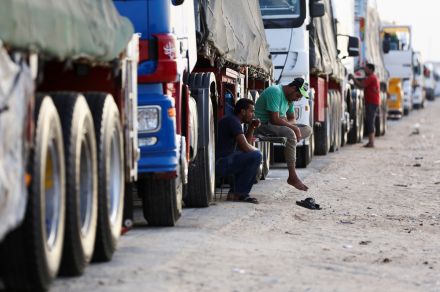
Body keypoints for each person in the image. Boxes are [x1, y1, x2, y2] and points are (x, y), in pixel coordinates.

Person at [254, 77, 312, 192]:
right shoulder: (275, 91)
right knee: (291, 132)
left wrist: (288, 124)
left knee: (308, 129)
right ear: (293, 88)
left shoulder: (289, 99)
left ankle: (291, 139)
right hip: (263, 125)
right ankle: (292, 176)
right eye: (298, 95)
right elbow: (275, 119)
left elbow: (292, 119)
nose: (298, 99)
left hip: (278, 126)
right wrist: (291, 127)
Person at [216, 98, 263, 204]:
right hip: (220, 163)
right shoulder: (233, 121)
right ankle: (240, 193)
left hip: (224, 161)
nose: (253, 114)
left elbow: (245, 147)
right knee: (256, 156)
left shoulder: (234, 120)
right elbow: (246, 148)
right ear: (243, 111)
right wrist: (258, 154)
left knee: (253, 156)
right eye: (251, 111)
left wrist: (252, 127)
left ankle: (235, 192)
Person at [349, 63, 380, 148]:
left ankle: (371, 142)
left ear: (370, 69)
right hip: (372, 102)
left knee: (370, 121)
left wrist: (353, 78)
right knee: (370, 121)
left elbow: (361, 85)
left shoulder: (371, 78)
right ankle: (371, 142)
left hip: (372, 102)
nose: (364, 71)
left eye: (366, 69)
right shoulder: (372, 77)